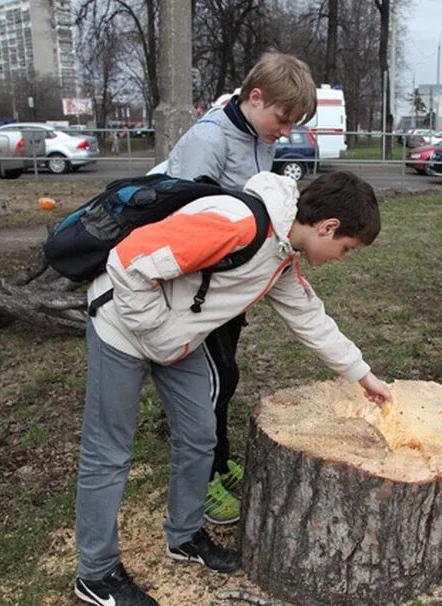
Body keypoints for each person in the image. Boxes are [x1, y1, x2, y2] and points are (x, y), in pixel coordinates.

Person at [73, 170, 391, 606]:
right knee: (109, 452)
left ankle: (184, 536)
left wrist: (363, 375)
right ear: (328, 227)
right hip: (123, 328)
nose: (343, 258)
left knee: (201, 435)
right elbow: (129, 261)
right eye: (347, 249)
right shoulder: (238, 224)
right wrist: (157, 334)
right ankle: (96, 573)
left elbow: (309, 318)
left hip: (174, 340)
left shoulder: (282, 253)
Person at [164, 53, 317, 526]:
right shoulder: (209, 139)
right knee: (210, 382)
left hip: (230, 286)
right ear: (255, 97)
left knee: (226, 374)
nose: (286, 132)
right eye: (283, 119)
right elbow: (182, 220)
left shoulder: (257, 134)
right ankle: (202, 478)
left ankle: (219, 458)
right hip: (198, 291)